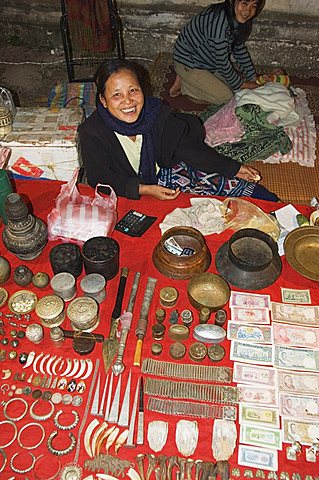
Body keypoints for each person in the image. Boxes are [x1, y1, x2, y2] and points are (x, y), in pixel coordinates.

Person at [79, 58, 279, 201]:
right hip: (129, 188)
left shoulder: (155, 115)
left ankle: (276, 206)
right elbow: (100, 178)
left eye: (133, 90)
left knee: (218, 180)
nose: (128, 101)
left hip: (165, 168)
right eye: (117, 95)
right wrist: (144, 189)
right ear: (103, 101)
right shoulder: (93, 133)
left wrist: (233, 168)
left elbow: (188, 149)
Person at [170, 0, 266, 103]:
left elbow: (238, 48)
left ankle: (186, 76)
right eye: (245, 3)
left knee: (236, 88)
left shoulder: (235, 18)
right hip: (189, 62)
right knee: (227, 97)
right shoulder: (220, 23)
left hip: (207, 61)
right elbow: (222, 62)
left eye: (253, 6)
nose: (248, 10)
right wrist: (243, 84)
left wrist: (253, 77)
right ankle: (186, 85)